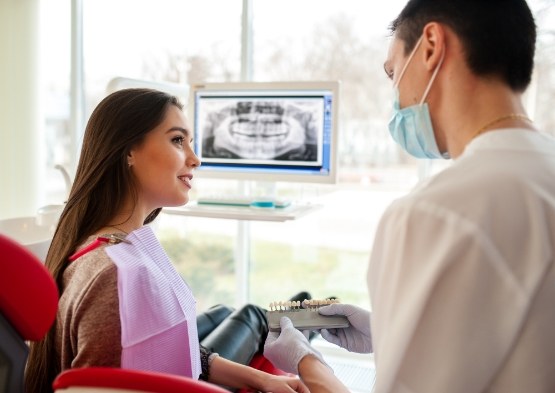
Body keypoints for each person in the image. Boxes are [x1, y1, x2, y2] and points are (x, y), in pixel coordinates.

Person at [264, 0, 555, 392]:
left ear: (431, 46)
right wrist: (388, 332)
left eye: (392, 72)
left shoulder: (435, 212)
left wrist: (308, 363)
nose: (397, 95)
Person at [24, 88, 308, 393]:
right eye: (177, 140)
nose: (195, 159)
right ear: (128, 151)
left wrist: (264, 379)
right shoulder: (115, 275)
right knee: (253, 314)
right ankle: (294, 322)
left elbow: (171, 356)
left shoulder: (102, 247)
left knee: (226, 312)